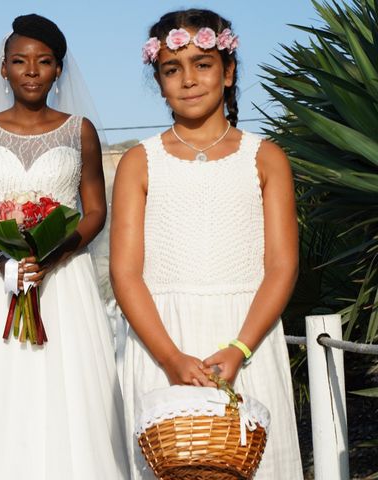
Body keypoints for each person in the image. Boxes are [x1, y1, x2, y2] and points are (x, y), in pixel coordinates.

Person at [0, 14, 129, 480]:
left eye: (43, 61)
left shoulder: (81, 131)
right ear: (3, 68)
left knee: (68, 388)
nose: (31, 70)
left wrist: (53, 257)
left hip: (63, 277)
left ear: (59, 70)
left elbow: (95, 210)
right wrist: (2, 261)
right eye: (20, 61)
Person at [110, 9, 303, 479]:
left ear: (229, 70)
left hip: (244, 337)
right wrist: (170, 356)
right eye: (173, 69)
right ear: (158, 80)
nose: (189, 80)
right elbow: (125, 272)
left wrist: (240, 348)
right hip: (161, 341)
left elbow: (281, 266)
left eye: (203, 64)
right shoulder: (139, 161)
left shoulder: (266, 157)